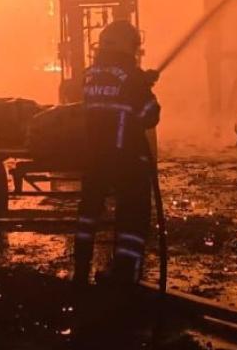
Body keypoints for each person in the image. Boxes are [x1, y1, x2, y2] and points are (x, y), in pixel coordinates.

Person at [72, 19, 161, 286]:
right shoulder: (132, 78)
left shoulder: (91, 75)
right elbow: (149, 116)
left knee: (88, 214)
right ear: (128, 46)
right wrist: (145, 87)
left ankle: (80, 269)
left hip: (95, 156)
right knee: (133, 216)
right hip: (126, 158)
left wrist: (141, 81)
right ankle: (124, 274)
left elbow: (109, 100)